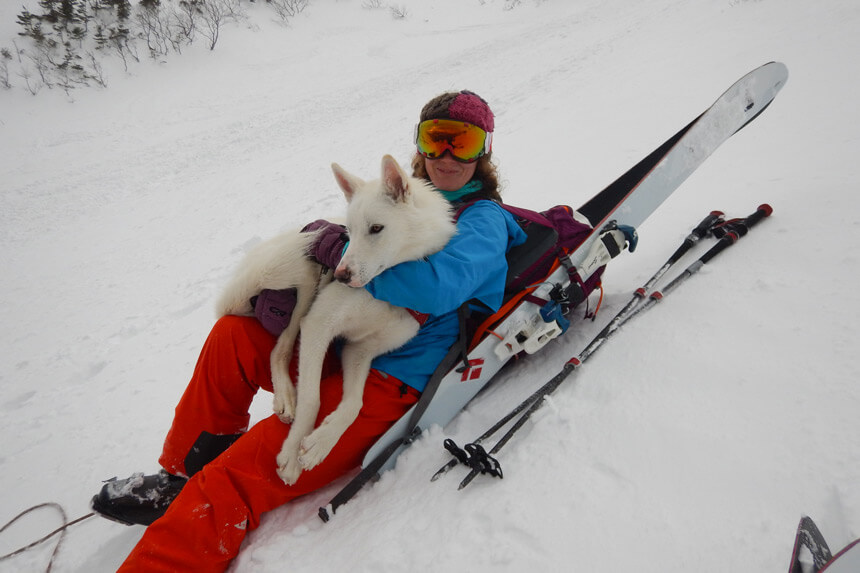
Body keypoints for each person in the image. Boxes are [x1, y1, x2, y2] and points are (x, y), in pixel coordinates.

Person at [91, 90, 529, 571]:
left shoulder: (484, 220)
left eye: (462, 142)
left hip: (393, 378)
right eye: (435, 138)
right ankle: (180, 473)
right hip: (342, 341)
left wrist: (349, 257)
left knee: (234, 476)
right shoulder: (388, 196)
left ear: (483, 150)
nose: (446, 155)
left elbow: (440, 288)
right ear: (419, 144)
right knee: (232, 338)